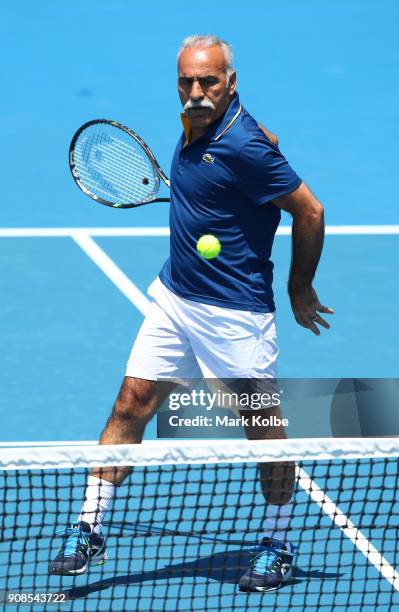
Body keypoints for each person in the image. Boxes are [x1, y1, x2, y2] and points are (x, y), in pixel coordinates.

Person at [49, 34, 333, 592]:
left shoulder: (248, 148)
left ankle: (278, 540)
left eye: (208, 82)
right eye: (187, 82)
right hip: (174, 298)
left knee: (262, 430)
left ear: (231, 83)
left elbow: (311, 210)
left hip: (236, 318)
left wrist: (300, 286)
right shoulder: (195, 123)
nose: (196, 92)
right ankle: (89, 526)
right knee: (131, 401)